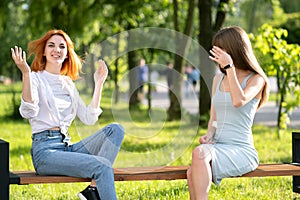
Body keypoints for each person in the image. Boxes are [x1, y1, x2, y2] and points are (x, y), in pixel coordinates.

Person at [11, 29, 124, 200]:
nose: (56, 49)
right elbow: (28, 112)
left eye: (61, 47)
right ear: (44, 52)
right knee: (103, 166)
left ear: (66, 54)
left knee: (115, 130)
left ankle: (93, 190)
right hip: (46, 152)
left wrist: (99, 83)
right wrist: (25, 73)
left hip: (67, 147)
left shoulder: (67, 83)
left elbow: (89, 118)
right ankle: (94, 192)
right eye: (51, 45)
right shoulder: (35, 78)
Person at [187, 26, 269, 200]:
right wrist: (209, 135)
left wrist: (230, 68)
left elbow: (238, 101)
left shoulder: (256, 79)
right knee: (191, 172)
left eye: (221, 49)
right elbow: (213, 119)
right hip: (218, 146)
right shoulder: (218, 78)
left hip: (242, 150)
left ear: (234, 49)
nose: (217, 54)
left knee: (199, 155)